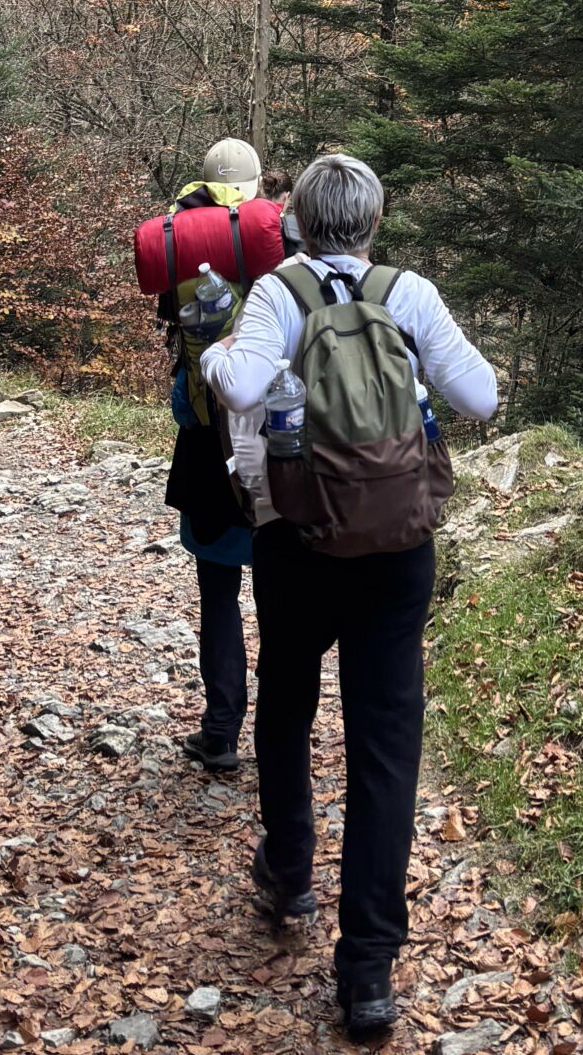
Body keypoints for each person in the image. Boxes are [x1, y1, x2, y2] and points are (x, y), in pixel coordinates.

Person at [202, 152, 497, 1040]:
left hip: (297, 539)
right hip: (398, 547)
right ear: (373, 221)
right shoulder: (409, 293)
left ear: (293, 219)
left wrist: (221, 354)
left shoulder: (277, 294)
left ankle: (289, 869)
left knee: (287, 699)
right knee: (383, 746)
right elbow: (480, 397)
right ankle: (367, 969)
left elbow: (244, 386)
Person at [165, 135, 266, 773]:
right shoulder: (279, 249)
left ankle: (222, 731)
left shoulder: (184, 258)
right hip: (278, 452)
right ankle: (284, 733)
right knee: (281, 601)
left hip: (208, 456)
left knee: (218, 597)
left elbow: (182, 402)